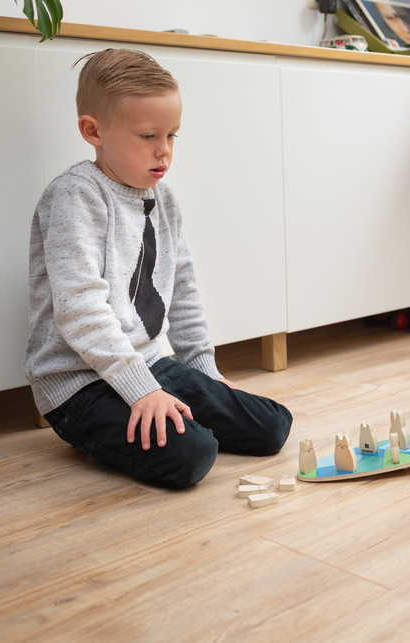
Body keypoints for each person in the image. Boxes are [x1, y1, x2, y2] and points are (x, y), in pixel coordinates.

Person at [24, 49, 292, 488]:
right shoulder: (74, 196)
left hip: (149, 364)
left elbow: (181, 288)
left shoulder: (163, 199)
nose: (163, 150)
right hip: (81, 385)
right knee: (193, 454)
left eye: (171, 135)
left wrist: (204, 372)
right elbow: (79, 309)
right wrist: (142, 390)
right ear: (93, 131)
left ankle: (164, 414)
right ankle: (104, 431)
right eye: (148, 135)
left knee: (272, 425)